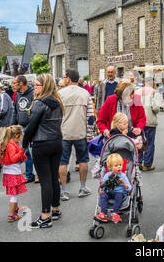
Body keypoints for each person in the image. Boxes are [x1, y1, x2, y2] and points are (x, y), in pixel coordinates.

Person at [22, 74, 64, 229]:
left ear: (44, 86)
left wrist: (24, 145)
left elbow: (31, 127)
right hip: (57, 143)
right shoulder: (58, 102)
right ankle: (55, 209)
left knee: (45, 180)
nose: (34, 87)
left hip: (42, 144)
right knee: (53, 178)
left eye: (37, 85)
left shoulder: (39, 103)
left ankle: (45, 216)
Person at [58, 69, 96, 201]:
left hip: (64, 133)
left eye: (64, 77)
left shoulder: (60, 94)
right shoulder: (85, 93)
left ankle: (64, 191)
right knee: (83, 160)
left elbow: (56, 115)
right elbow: (91, 116)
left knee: (62, 162)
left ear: (68, 79)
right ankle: (82, 187)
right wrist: (90, 133)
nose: (63, 79)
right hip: (81, 132)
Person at [0, 125, 28, 222]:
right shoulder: (11, 145)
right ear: (16, 135)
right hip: (13, 173)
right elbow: (13, 158)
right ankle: (11, 215)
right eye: (21, 135)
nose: (21, 137)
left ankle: (15, 210)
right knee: (14, 195)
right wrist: (22, 151)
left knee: (15, 194)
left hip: (10, 172)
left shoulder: (7, 144)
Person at [94, 153, 132, 224]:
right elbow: (103, 185)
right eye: (116, 165)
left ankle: (115, 213)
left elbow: (129, 188)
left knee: (119, 195)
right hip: (109, 192)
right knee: (103, 195)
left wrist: (124, 184)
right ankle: (103, 214)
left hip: (119, 194)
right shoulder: (107, 176)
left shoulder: (123, 176)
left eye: (120, 165)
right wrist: (102, 190)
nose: (119, 167)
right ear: (110, 167)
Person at [13, 75, 36, 183]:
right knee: (25, 152)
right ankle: (29, 174)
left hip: (31, 127)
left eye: (15, 83)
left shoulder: (32, 93)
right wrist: (14, 125)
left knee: (33, 152)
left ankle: (39, 174)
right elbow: (16, 110)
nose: (13, 85)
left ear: (21, 83)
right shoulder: (17, 94)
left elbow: (35, 111)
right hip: (21, 127)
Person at [136, 77, 161, 171]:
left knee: (139, 141)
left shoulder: (137, 92)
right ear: (152, 82)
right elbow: (156, 108)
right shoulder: (154, 92)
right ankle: (147, 164)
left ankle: (138, 162)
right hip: (149, 120)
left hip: (138, 121)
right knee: (149, 143)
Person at [0, 82, 14, 153]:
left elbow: (2, 110)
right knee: (3, 145)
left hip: (2, 125)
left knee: (1, 145)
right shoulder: (2, 96)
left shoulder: (2, 95)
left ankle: (4, 162)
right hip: (4, 124)